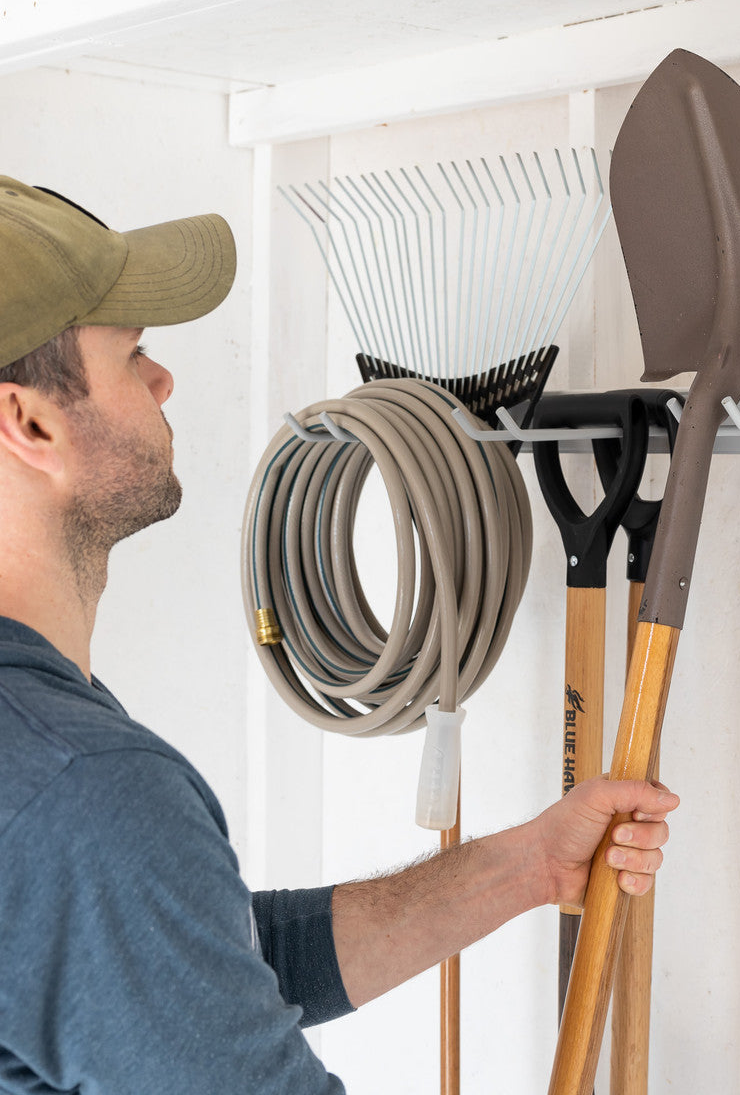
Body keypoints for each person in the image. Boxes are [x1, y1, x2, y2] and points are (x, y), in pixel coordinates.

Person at [0, 177, 677, 1094]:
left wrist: (522, 867)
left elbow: (188, 971)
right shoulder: (80, 792)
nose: (163, 379)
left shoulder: (46, 771)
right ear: (28, 421)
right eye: (132, 353)